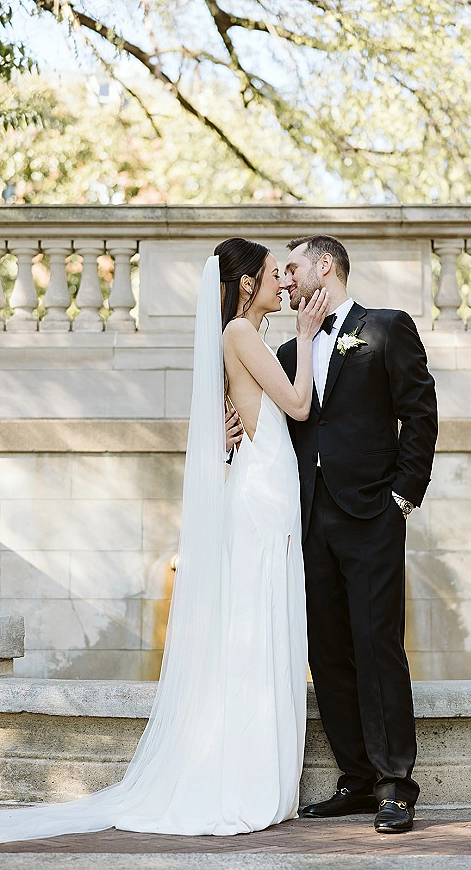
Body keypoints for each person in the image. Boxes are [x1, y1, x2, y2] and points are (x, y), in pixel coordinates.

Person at [0, 238, 329, 842]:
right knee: (256, 629)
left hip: (266, 482)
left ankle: (259, 777)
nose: (282, 283)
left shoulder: (240, 338)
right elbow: (300, 404)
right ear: (248, 286)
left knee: (262, 625)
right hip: (263, 494)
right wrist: (307, 336)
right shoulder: (241, 333)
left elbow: (252, 412)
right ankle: (246, 781)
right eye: (269, 275)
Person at [277, 235, 438, 834]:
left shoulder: (387, 328)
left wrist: (402, 494)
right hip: (309, 516)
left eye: (292, 267)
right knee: (328, 651)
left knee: (377, 645)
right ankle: (357, 780)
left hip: (371, 515)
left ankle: (397, 785)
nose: (285, 279)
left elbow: (420, 411)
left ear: (325, 266)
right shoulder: (289, 346)